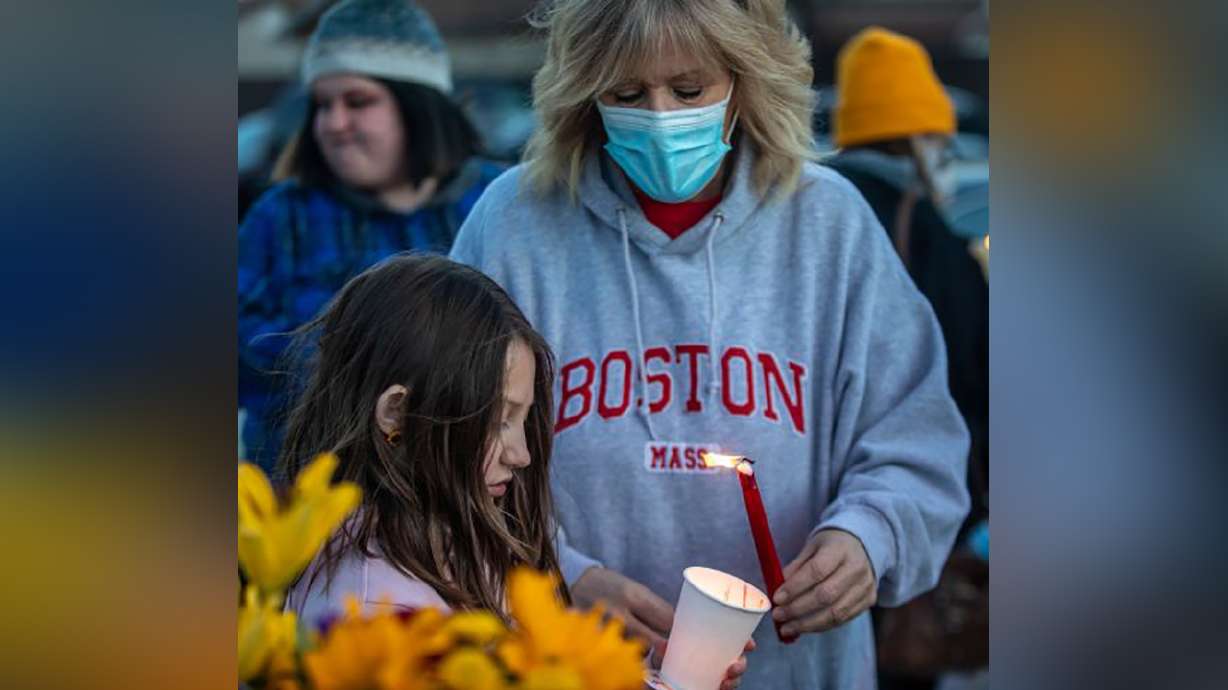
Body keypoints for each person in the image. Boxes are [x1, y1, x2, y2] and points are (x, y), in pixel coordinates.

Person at [450, 1, 970, 688]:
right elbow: (449, 450)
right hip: (570, 667)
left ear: (745, 78)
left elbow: (917, 439)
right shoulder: (516, 225)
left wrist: (868, 538)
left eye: (689, 90)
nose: (661, 116)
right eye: (628, 94)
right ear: (584, 91)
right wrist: (555, 580)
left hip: (793, 670)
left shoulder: (828, 225)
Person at [238, 0, 503, 472]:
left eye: (358, 101)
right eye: (322, 105)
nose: (334, 123)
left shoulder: (498, 203)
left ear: (418, 105)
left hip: (467, 499)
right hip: (313, 510)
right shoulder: (280, 220)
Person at [280, 254, 561, 620]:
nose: (521, 455)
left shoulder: (448, 541)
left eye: (523, 419)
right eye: (499, 420)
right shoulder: (379, 613)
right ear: (397, 412)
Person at [825, 26, 988, 550]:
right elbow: (974, 371)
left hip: (802, 498)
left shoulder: (809, 213)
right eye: (938, 140)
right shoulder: (926, 231)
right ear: (917, 140)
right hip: (895, 503)